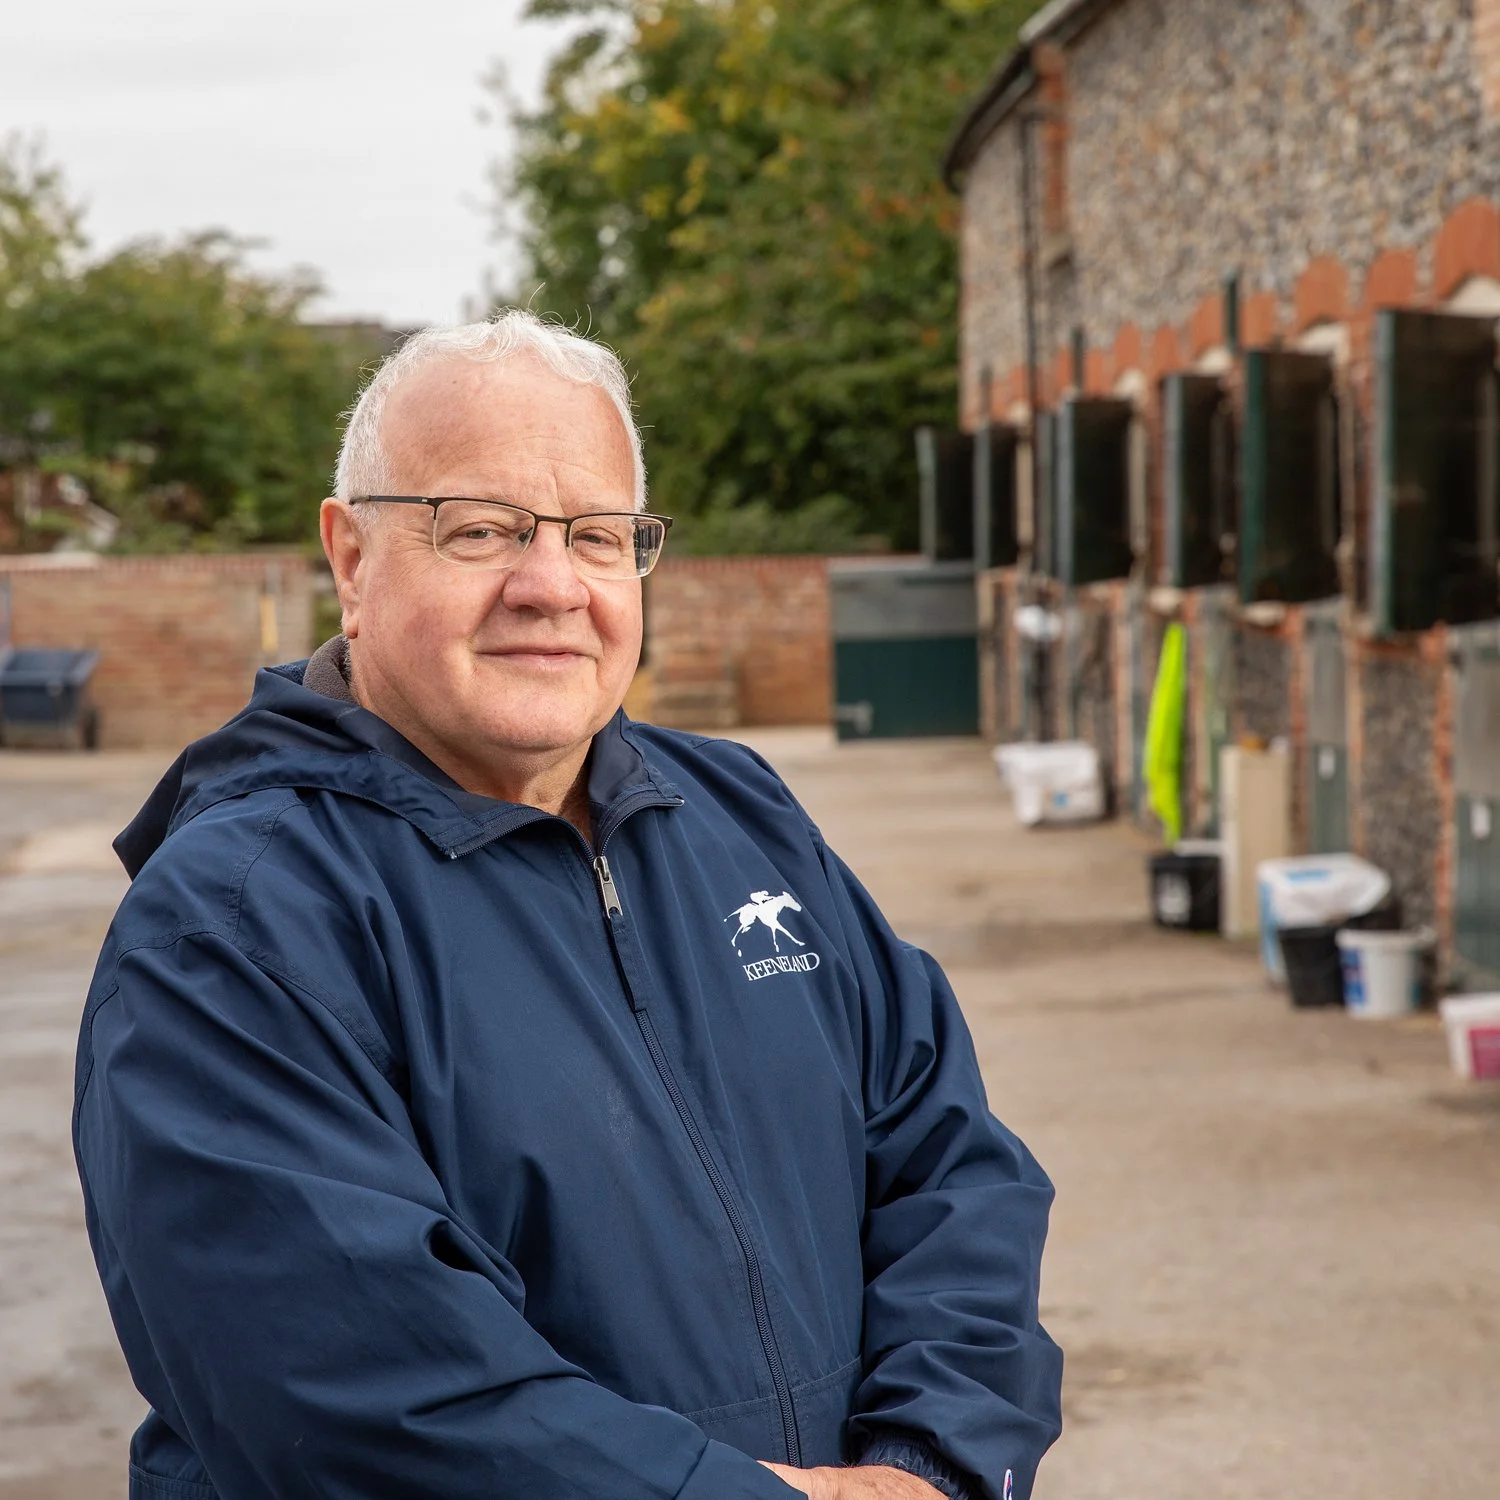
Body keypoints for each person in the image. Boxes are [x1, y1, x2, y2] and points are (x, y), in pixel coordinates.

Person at [74, 312, 1063, 1500]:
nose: (550, 587)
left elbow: (952, 1169)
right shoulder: (234, 924)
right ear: (349, 557)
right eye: (480, 529)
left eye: (599, 536)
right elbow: (364, 1403)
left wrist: (933, 1464)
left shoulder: (735, 812)